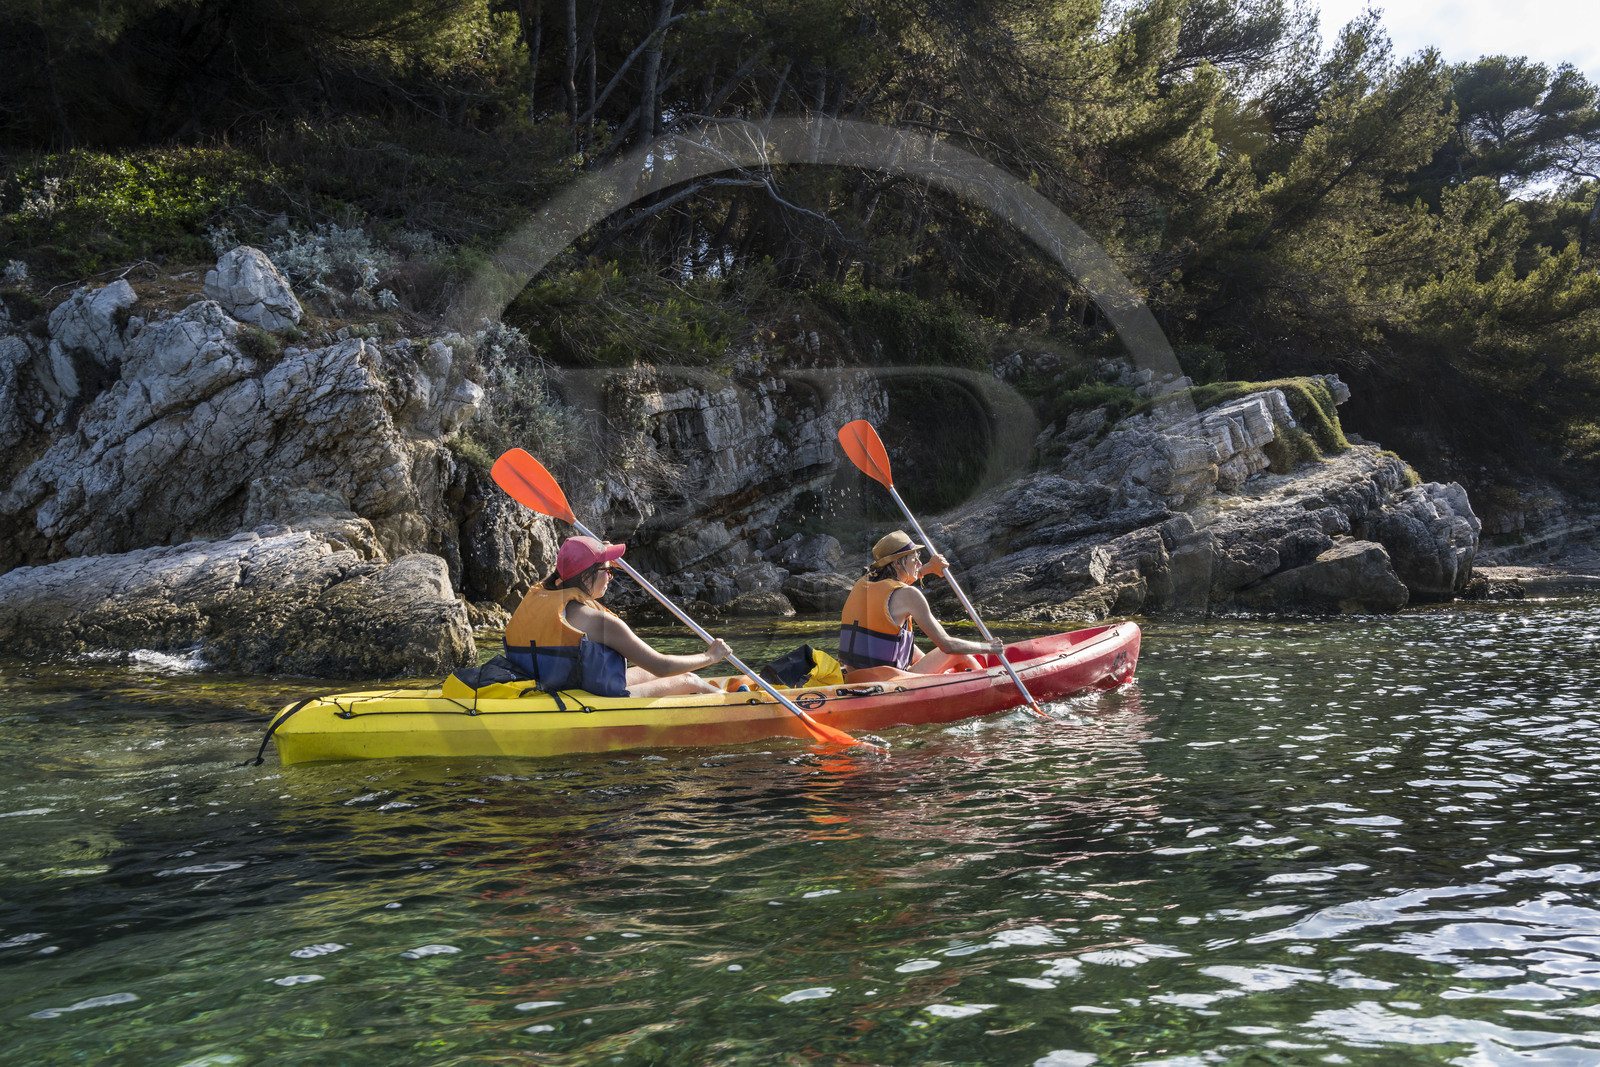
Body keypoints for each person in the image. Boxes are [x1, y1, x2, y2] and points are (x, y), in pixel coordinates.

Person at [505, 535, 732, 698]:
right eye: (607, 571)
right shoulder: (601, 623)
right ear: (586, 577)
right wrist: (710, 656)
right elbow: (661, 667)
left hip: (561, 686)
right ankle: (736, 704)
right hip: (599, 699)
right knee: (690, 680)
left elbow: (568, 568)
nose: (610, 577)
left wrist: (599, 553)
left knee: (646, 672)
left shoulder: (539, 592)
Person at [838, 531, 1004, 681]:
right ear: (897, 563)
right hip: (887, 680)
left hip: (855, 676)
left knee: (912, 649)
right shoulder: (910, 595)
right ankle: (991, 684)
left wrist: (929, 568)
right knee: (959, 652)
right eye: (915, 559)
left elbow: (901, 578)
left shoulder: (865, 582)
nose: (918, 563)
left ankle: (942, 678)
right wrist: (988, 647)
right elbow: (948, 645)